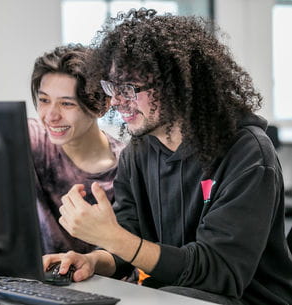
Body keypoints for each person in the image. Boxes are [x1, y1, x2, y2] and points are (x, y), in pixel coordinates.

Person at [43, 9, 292, 305]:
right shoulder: (139, 150)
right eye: (112, 88)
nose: (118, 102)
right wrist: (95, 261)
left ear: (178, 86)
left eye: (130, 88)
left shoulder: (248, 153)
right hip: (171, 295)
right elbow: (130, 237)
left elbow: (219, 272)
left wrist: (114, 238)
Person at [29, 44, 125, 254]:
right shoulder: (30, 139)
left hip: (102, 283)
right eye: (44, 100)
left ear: (101, 105)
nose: (51, 116)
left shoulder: (126, 168)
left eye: (67, 104)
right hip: (32, 284)